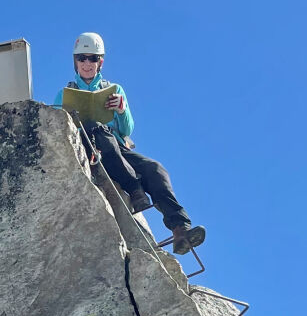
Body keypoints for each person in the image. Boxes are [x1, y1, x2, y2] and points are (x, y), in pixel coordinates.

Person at [55, 32, 206, 256]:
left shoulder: (114, 89)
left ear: (100, 62)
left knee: (155, 169)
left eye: (93, 58)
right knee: (97, 129)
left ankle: (180, 228)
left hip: (117, 147)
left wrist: (121, 110)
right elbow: (61, 128)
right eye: (82, 58)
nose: (87, 64)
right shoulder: (64, 94)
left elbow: (126, 130)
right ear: (75, 61)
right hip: (89, 147)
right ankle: (135, 190)